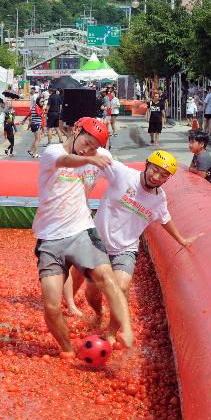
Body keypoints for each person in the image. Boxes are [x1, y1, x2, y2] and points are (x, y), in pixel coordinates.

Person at [31, 117, 134, 352]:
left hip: (81, 230)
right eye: (87, 142)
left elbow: (125, 175)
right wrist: (90, 158)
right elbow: (67, 160)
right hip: (50, 237)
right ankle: (67, 349)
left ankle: (125, 330)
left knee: (107, 279)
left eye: (94, 147)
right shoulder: (52, 151)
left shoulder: (102, 158)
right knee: (51, 305)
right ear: (77, 130)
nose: (88, 149)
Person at [69, 151, 201, 325]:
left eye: (163, 176)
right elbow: (100, 157)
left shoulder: (159, 199)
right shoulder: (123, 174)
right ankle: (98, 312)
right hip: (97, 243)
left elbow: (165, 219)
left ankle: (112, 334)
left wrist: (182, 240)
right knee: (92, 293)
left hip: (125, 249)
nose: (156, 177)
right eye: (154, 170)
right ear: (147, 164)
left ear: (167, 180)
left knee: (121, 288)